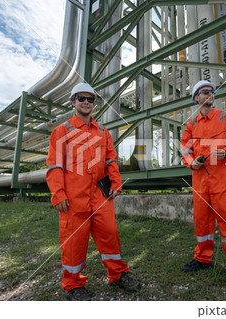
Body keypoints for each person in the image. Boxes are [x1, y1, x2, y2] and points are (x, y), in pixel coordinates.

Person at [46, 82, 140, 301]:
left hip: (100, 195)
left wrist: (116, 183)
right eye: (81, 98)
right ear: (73, 102)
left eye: (90, 99)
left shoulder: (102, 131)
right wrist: (58, 193)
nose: (86, 102)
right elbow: (54, 166)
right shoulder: (63, 131)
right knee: (74, 241)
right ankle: (72, 284)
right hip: (73, 197)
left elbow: (111, 159)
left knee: (110, 235)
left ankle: (117, 275)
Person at [180, 80, 226, 292]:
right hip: (201, 183)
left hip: (223, 183)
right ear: (197, 98)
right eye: (205, 91)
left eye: (212, 91)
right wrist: (190, 162)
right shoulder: (192, 125)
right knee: (202, 224)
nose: (210, 93)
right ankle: (203, 259)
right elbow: (185, 149)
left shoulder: (225, 117)